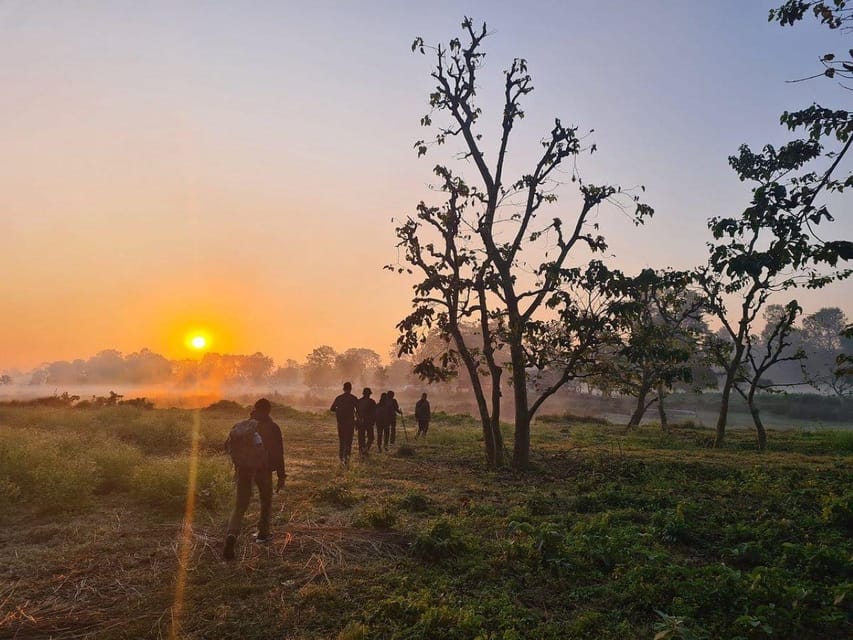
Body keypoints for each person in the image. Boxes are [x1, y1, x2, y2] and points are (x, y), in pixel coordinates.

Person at [223, 398, 285, 561]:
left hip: (244, 470)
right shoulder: (273, 427)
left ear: (255, 409)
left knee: (240, 506)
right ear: (269, 411)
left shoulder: (244, 426)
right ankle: (263, 534)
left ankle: (232, 534)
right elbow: (279, 454)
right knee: (266, 502)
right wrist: (281, 475)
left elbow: (226, 446)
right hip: (263, 470)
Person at [330, 381, 359, 465]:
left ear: (343, 389)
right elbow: (358, 411)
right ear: (350, 389)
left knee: (342, 441)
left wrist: (339, 410)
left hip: (341, 423)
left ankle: (341, 458)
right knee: (349, 441)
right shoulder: (353, 398)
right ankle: (347, 458)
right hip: (350, 423)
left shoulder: (339, 398)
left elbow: (332, 409)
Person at [356, 387, 377, 455]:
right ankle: (365, 450)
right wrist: (373, 421)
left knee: (361, 438)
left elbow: (357, 412)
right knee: (371, 437)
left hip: (361, 421)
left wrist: (357, 420)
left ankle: (362, 450)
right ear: (369, 394)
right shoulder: (372, 402)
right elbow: (375, 413)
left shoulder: (359, 401)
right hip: (368, 422)